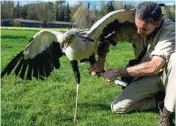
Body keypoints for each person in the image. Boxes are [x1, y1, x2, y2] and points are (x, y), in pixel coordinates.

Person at [89, 2, 175, 126]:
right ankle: (161, 100)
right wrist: (101, 60)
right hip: (151, 78)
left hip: (169, 77)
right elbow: (108, 39)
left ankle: (166, 116)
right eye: (137, 26)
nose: (139, 32)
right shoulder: (137, 28)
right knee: (118, 107)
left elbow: (155, 66)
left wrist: (118, 72)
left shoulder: (170, 30)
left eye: (144, 29)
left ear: (157, 23)